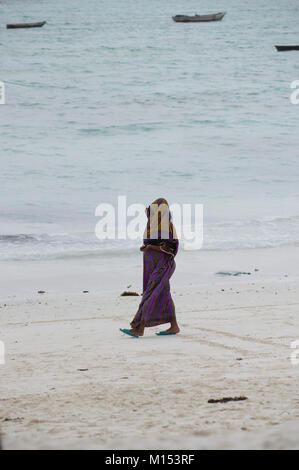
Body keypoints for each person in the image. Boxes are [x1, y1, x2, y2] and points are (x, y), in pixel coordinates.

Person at [120, 198, 180, 338]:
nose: (149, 213)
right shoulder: (154, 226)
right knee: (163, 294)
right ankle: (174, 325)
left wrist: (150, 247)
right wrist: (147, 247)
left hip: (162, 266)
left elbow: (168, 248)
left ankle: (139, 327)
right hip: (153, 266)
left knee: (150, 294)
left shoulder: (166, 227)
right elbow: (151, 242)